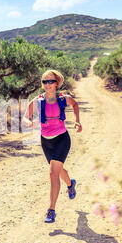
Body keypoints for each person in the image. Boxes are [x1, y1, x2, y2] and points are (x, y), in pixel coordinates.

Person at [23, 69, 82, 223]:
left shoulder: (64, 98)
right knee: (58, 169)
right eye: (44, 81)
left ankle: (51, 210)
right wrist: (29, 122)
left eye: (51, 81)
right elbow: (25, 117)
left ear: (57, 83)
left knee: (52, 173)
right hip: (46, 141)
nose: (47, 84)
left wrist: (77, 120)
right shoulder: (37, 101)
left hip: (62, 139)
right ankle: (70, 183)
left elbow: (75, 105)